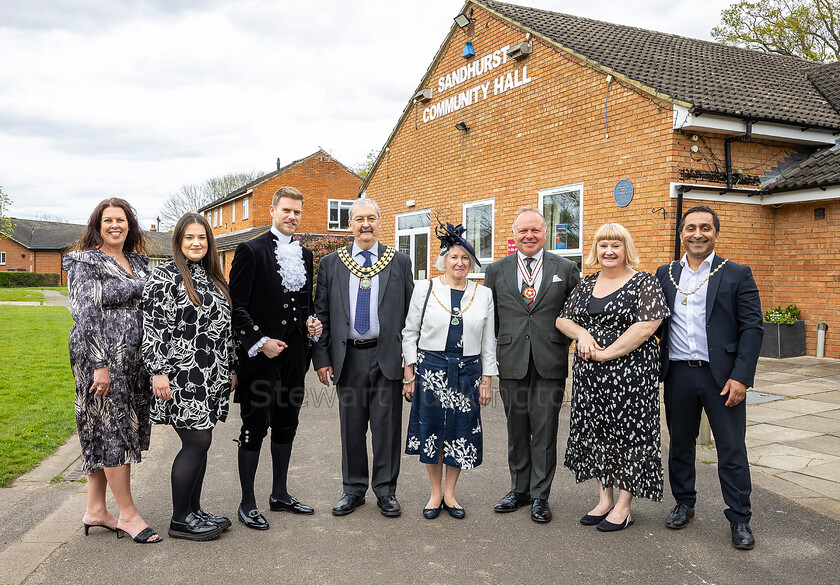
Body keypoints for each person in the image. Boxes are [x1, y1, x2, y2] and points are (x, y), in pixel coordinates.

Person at [656, 205, 763, 550]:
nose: (697, 234)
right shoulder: (665, 273)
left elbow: (752, 328)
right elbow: (651, 322)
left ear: (716, 233)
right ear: (681, 234)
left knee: (731, 448)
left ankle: (740, 517)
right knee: (680, 444)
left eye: (705, 228)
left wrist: (742, 377)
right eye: (690, 228)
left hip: (722, 377)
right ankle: (684, 503)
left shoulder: (736, 273)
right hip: (678, 374)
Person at [555, 223, 669, 532]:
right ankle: (604, 499)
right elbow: (562, 319)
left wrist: (606, 353)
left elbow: (647, 326)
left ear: (625, 249)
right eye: (603, 245)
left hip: (630, 375)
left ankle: (624, 506)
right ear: (596, 250)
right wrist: (582, 333)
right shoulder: (587, 283)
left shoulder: (645, 282)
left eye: (615, 245)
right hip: (591, 376)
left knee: (628, 436)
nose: (609, 251)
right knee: (597, 433)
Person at [62, 198, 161, 544]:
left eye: (121, 219)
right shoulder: (84, 260)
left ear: (130, 225)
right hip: (101, 356)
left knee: (105, 429)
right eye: (108, 220)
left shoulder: (139, 261)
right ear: (98, 225)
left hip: (133, 360)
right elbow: (85, 312)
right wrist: (99, 365)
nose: (115, 225)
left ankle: (96, 510)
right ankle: (129, 515)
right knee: (113, 428)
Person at [228, 186, 322, 531]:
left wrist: (312, 324)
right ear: (272, 210)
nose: (292, 217)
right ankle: (247, 502)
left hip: (295, 358)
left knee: (286, 425)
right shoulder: (249, 250)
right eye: (286, 210)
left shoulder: (306, 255)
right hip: (261, 358)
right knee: (254, 427)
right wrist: (260, 340)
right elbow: (236, 307)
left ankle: (280, 493)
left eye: (297, 212)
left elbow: (304, 305)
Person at [312, 198, 414, 517]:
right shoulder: (331, 264)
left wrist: (410, 364)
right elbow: (322, 314)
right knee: (352, 428)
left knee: (386, 428)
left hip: (387, 356)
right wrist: (322, 358)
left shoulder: (398, 262)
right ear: (350, 225)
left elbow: (411, 316)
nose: (365, 224)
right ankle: (353, 490)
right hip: (349, 357)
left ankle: (385, 491)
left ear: (380, 222)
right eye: (359, 219)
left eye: (371, 218)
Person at [141, 213, 237, 541]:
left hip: (211, 373)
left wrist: (232, 367)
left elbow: (225, 329)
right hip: (181, 374)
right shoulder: (165, 277)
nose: (196, 243)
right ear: (179, 241)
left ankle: (195, 510)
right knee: (196, 441)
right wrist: (158, 371)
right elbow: (153, 327)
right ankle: (180, 519)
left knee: (203, 442)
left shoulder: (212, 276)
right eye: (189, 238)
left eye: (202, 238)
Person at [483, 206, 579, 523]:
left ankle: (540, 496)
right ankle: (518, 490)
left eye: (535, 230)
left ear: (545, 232)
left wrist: (562, 344)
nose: (529, 236)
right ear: (514, 235)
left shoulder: (564, 268)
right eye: (523, 231)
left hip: (550, 361)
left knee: (545, 430)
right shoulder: (496, 270)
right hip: (511, 361)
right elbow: (490, 318)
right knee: (517, 430)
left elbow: (574, 314)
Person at [401, 223, 496, 519]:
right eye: (454, 257)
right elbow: (409, 333)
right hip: (431, 370)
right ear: (444, 260)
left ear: (471, 263)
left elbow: (487, 341)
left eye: (465, 258)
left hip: (468, 371)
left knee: (460, 432)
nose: (459, 263)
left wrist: (487, 379)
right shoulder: (424, 289)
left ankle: (451, 494)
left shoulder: (484, 295)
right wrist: (409, 374)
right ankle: (435, 494)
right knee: (432, 431)